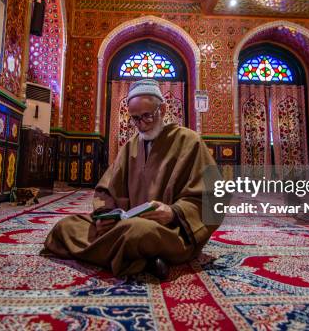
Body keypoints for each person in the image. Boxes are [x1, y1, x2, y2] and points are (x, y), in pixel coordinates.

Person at [41, 79, 219, 279]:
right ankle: (144, 260)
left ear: (163, 109)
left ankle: (131, 255)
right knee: (66, 227)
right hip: (126, 224)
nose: (141, 125)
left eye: (147, 116)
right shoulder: (130, 146)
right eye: (135, 119)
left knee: (137, 232)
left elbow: (215, 197)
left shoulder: (190, 141)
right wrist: (105, 215)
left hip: (169, 231)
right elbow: (106, 189)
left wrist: (173, 212)